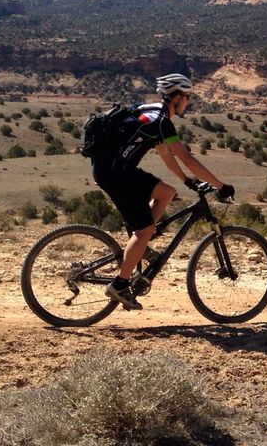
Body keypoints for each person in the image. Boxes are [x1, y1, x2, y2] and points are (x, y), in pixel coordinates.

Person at [93, 73, 234, 311]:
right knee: (145, 228)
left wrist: (187, 182)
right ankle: (119, 285)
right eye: (187, 97)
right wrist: (221, 186)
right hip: (115, 174)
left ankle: (141, 245)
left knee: (166, 192)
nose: (188, 102)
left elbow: (166, 155)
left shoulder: (151, 110)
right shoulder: (161, 122)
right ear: (177, 97)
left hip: (116, 169)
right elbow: (186, 157)